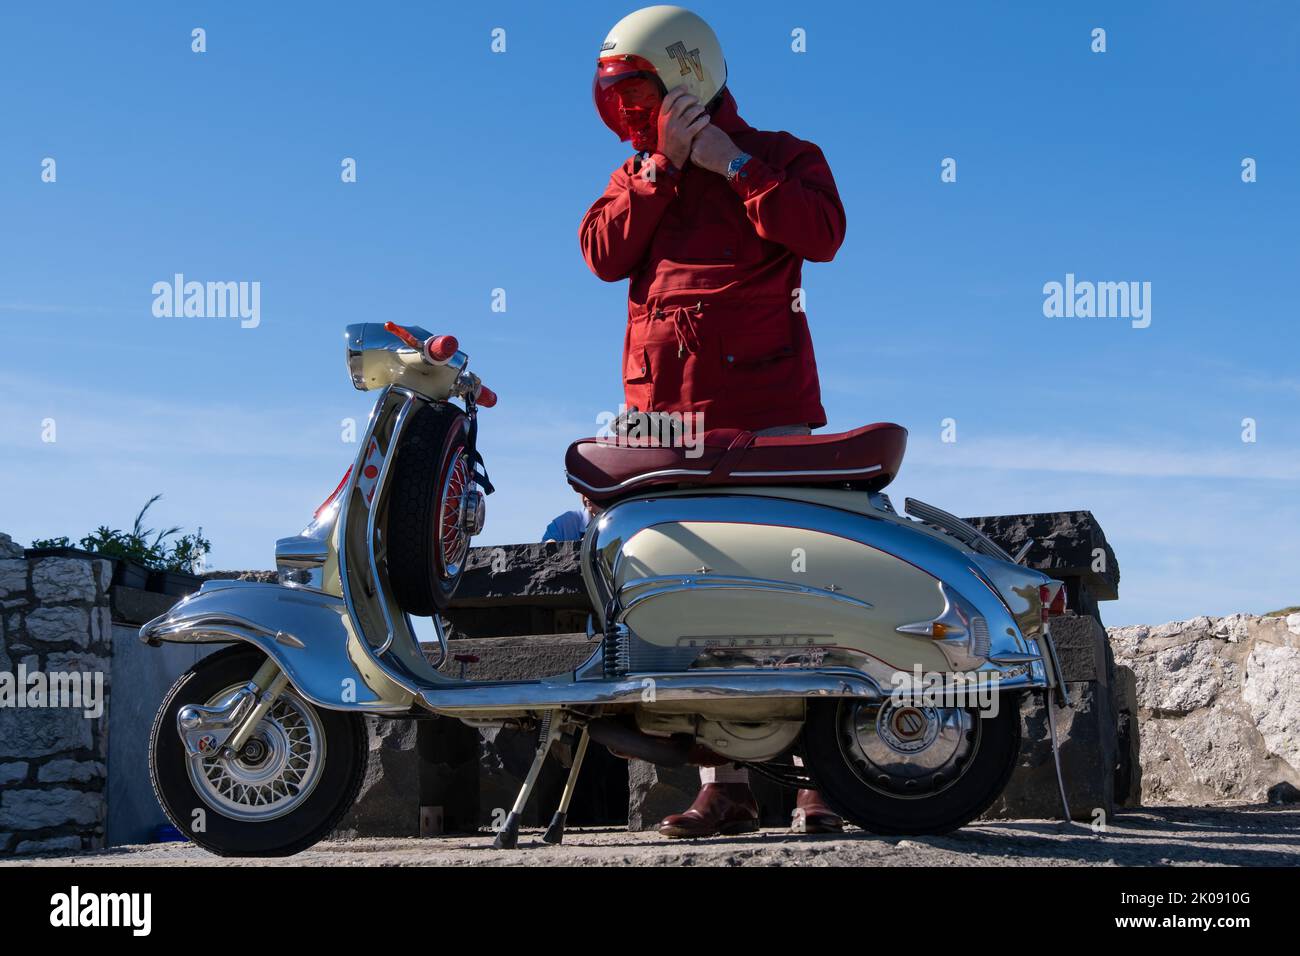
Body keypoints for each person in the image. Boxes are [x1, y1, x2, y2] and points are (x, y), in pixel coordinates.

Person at [579, 5, 847, 838]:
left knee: (797, 593)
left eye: (639, 92)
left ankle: (819, 783)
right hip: (662, 422)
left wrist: (730, 164)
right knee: (683, 595)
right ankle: (722, 785)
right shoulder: (638, 170)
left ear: (685, 75)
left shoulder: (782, 155)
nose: (628, 110)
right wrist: (660, 167)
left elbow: (823, 231)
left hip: (768, 415)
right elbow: (600, 252)